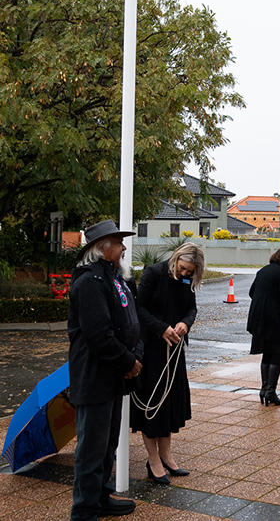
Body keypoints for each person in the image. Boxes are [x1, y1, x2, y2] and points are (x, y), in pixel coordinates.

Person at [68, 220, 142, 521]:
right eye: (118, 242)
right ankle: (84, 511)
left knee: (109, 443)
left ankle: (101, 496)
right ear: (101, 247)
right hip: (95, 376)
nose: (124, 247)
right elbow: (99, 335)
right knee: (91, 449)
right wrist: (129, 362)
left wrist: (134, 355)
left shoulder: (116, 278)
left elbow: (131, 322)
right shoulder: (88, 281)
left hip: (114, 376)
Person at [130, 242, 204, 483]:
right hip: (151, 349)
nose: (184, 274)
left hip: (174, 351)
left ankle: (166, 455)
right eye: (182, 268)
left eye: (189, 272)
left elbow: (191, 308)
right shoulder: (153, 273)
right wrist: (161, 328)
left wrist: (185, 323)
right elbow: (137, 308)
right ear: (175, 259)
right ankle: (153, 460)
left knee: (169, 403)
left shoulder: (187, 279)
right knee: (152, 405)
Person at [246, 246, 280, 407]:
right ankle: (271, 391)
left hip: (256, 316)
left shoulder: (263, 270)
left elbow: (251, 292)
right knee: (278, 349)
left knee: (267, 351)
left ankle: (264, 389)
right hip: (272, 316)